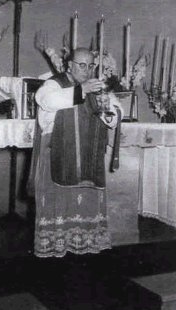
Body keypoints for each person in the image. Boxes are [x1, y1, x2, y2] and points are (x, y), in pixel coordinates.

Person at [28, 42, 124, 258]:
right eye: (82, 65)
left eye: (91, 66)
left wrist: (106, 106)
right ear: (69, 66)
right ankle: (55, 256)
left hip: (89, 155)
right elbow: (46, 101)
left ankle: (85, 253)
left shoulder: (97, 86)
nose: (87, 70)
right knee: (58, 205)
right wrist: (82, 91)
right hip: (57, 153)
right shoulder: (54, 84)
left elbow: (116, 115)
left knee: (86, 208)